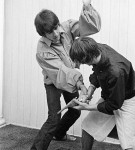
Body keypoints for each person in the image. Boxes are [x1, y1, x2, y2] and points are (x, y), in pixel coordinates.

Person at [31, 0, 101, 149]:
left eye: (56, 27)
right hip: (54, 81)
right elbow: (61, 71)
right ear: (43, 34)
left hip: (72, 78)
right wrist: (81, 83)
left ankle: (59, 134)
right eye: (51, 32)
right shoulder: (42, 50)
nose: (56, 33)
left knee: (74, 111)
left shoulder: (67, 26)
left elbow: (89, 28)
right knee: (54, 118)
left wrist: (87, 6)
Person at [68, 36, 135, 150]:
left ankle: (127, 137)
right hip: (112, 95)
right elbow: (97, 73)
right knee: (88, 127)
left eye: (82, 62)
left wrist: (87, 107)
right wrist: (89, 91)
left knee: (129, 145)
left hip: (129, 100)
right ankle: (124, 134)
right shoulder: (97, 49)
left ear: (88, 57)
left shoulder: (116, 71)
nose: (83, 64)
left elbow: (114, 104)